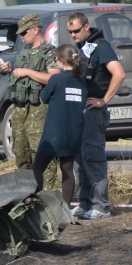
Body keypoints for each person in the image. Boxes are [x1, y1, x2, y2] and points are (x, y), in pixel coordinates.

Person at [67, 12, 126, 220]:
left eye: (76, 30)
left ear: (86, 27)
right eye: (70, 32)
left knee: (93, 157)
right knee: (80, 159)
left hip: (94, 110)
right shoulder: (81, 48)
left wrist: (104, 100)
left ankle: (101, 206)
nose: (73, 35)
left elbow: (119, 73)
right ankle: (85, 203)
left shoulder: (101, 46)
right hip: (80, 111)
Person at [0, 13, 61, 190]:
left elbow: (54, 78)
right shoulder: (24, 53)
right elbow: (22, 77)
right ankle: (28, 193)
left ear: (35, 30)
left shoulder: (49, 51)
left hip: (39, 110)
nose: (21, 36)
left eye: (24, 33)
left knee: (42, 154)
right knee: (21, 153)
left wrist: (26, 72)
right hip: (20, 110)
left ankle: (50, 197)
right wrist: (11, 70)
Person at [32, 44, 87, 203]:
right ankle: (65, 209)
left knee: (37, 168)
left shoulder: (56, 79)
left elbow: (43, 98)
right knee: (67, 170)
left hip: (54, 133)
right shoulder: (81, 81)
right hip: (74, 132)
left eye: (56, 59)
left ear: (62, 61)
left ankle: (35, 202)